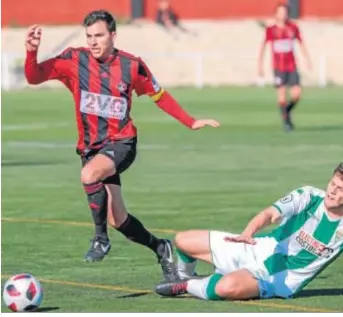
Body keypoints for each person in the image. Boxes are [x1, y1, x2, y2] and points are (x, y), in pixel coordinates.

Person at [24, 10, 220, 281]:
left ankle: (99, 239)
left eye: (99, 36)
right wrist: (31, 53)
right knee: (120, 220)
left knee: (89, 175)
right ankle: (161, 248)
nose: (93, 42)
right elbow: (34, 77)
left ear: (113, 35)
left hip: (122, 143)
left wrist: (190, 121)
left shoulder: (132, 65)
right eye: (89, 36)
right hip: (91, 149)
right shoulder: (74, 59)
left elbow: (158, 95)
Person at [155, 163, 343, 300]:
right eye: (332, 184)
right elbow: (269, 213)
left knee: (225, 288)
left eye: (341, 189)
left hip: (278, 280)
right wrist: (248, 233)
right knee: (183, 240)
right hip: (257, 248)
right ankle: (184, 276)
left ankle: (188, 287)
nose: (332, 191)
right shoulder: (308, 196)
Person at [258, 3, 312, 132]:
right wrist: (260, 65)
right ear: (276, 14)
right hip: (278, 68)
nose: (282, 15)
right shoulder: (271, 30)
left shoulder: (293, 28)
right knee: (281, 96)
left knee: (297, 94)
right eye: (280, 12)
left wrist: (307, 59)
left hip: (292, 66)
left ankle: (286, 110)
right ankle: (287, 122)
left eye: (284, 12)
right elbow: (263, 47)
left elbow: (301, 43)